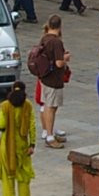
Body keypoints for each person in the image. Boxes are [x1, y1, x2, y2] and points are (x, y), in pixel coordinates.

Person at [0, 84, 36, 196]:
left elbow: (2, 124)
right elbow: (32, 126)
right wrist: (32, 144)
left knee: (7, 176)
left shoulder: (5, 105)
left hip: (7, 146)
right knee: (23, 176)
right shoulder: (27, 105)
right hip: (23, 145)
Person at [28, 18, 71, 150]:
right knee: (52, 107)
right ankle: (50, 136)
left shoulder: (44, 38)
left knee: (47, 105)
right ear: (59, 26)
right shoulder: (56, 41)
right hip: (54, 79)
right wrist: (65, 59)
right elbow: (58, 63)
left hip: (44, 78)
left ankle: (48, 131)